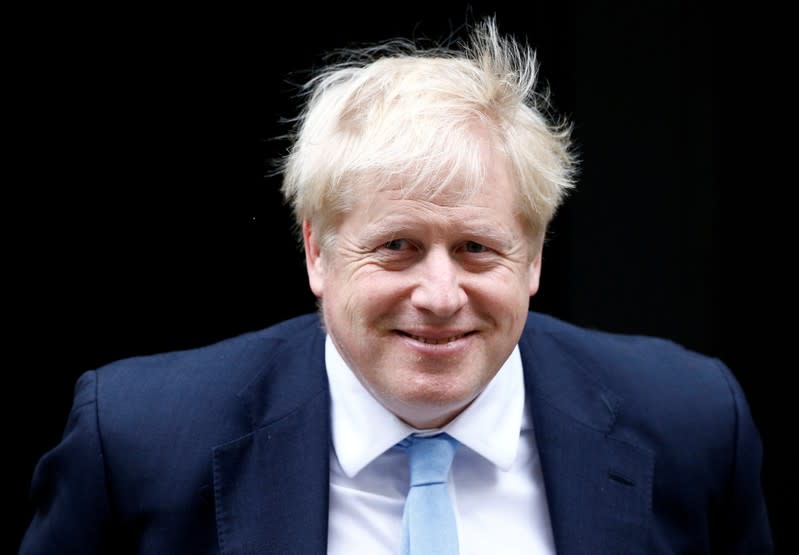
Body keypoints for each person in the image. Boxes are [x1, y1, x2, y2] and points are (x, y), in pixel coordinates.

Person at [19, 17, 772, 554]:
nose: (440, 294)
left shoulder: (691, 423)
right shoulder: (137, 441)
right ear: (317, 251)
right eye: (398, 247)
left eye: (477, 248)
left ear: (535, 257)